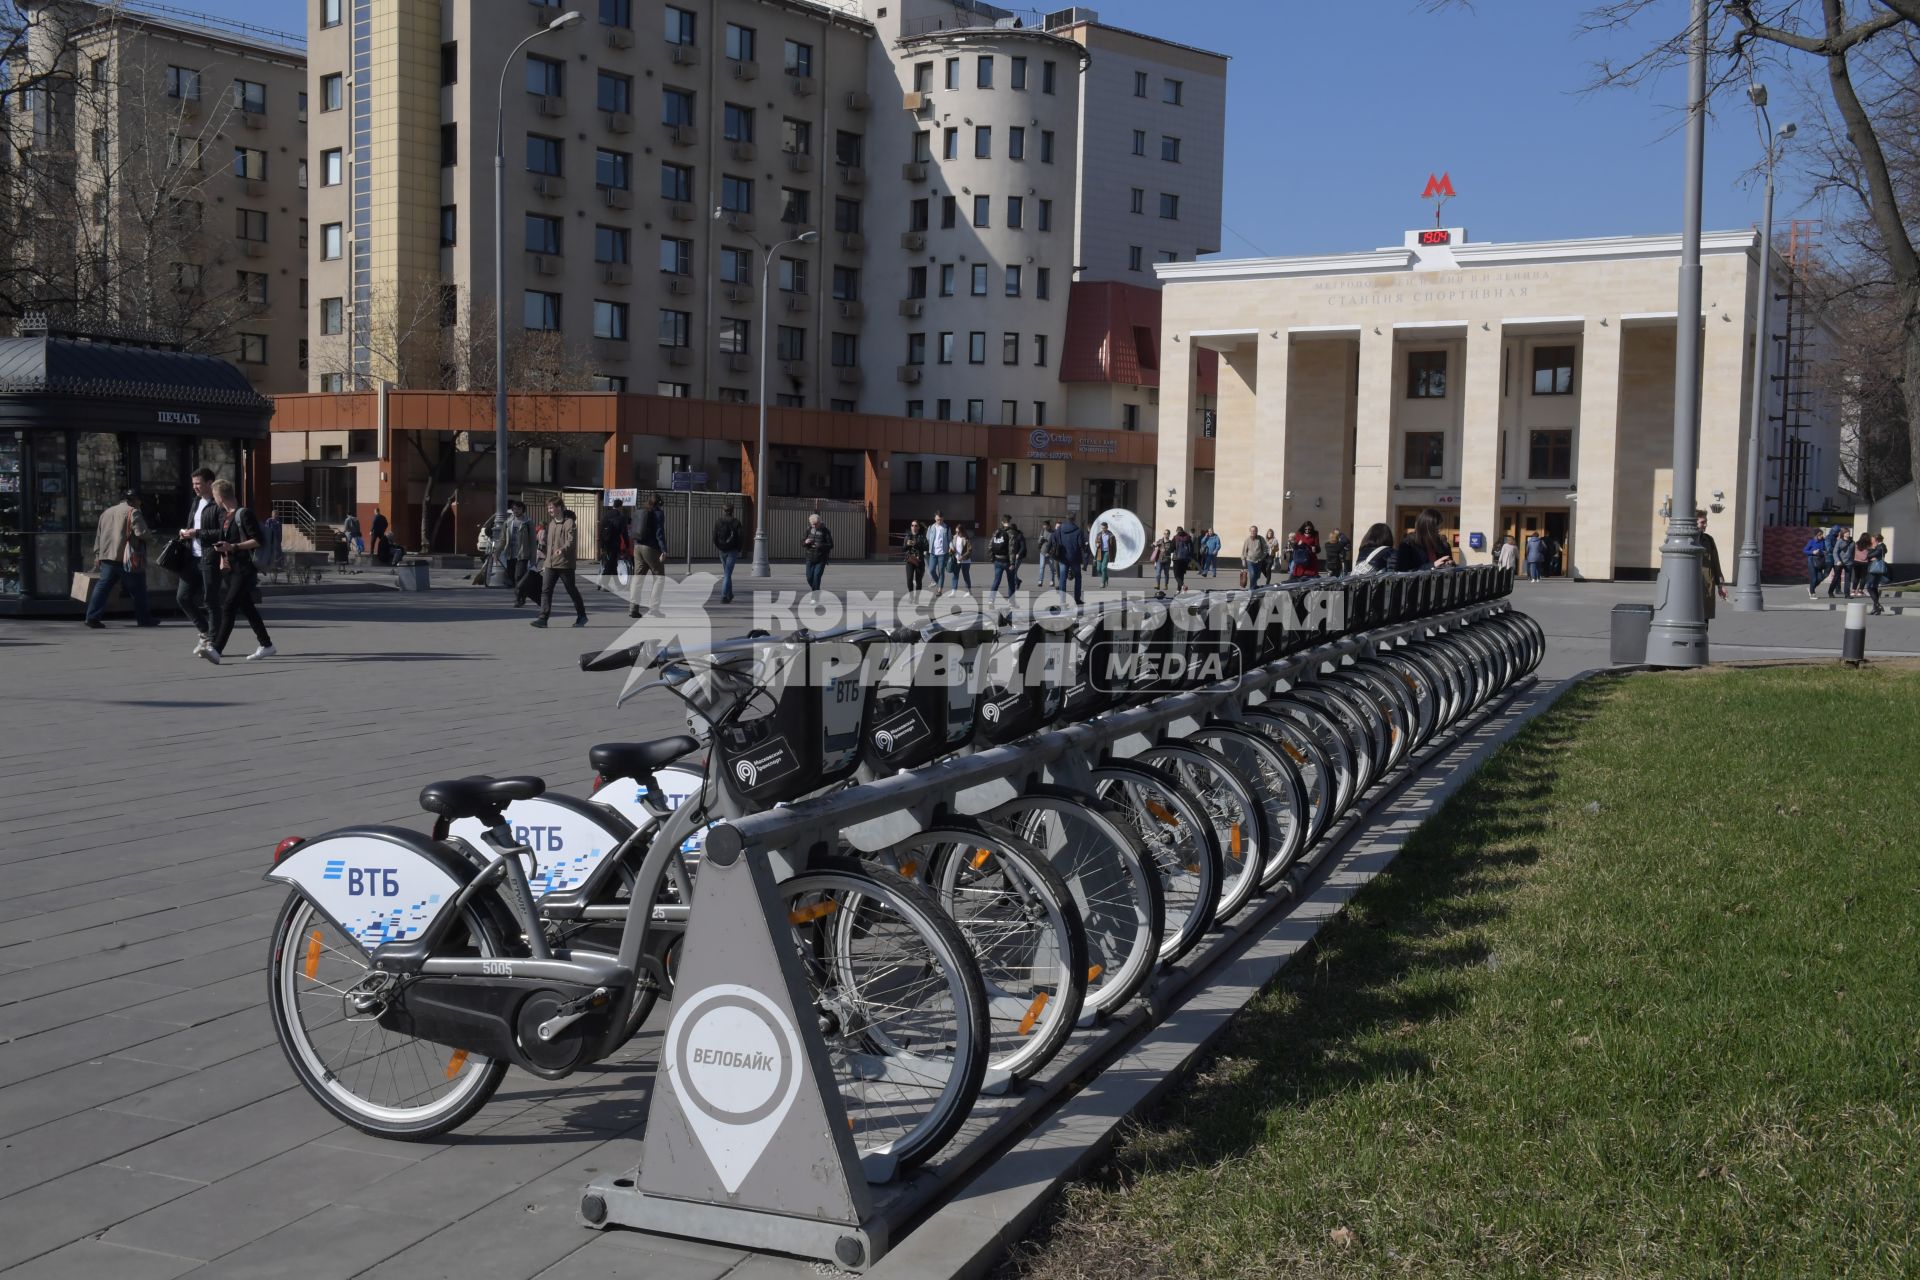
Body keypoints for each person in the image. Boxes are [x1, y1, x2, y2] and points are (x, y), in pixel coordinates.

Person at [201, 479, 274, 663]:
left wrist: (233, 546)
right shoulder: (225, 516)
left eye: (215, 496)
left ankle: (216, 649)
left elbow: (258, 540)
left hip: (245, 569)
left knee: (229, 606)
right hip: (231, 568)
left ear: (220, 496)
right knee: (248, 608)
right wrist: (223, 553)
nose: (214, 500)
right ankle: (266, 645)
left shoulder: (244, 514)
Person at [85, 489, 156, 628]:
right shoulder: (133, 512)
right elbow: (141, 532)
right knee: (139, 589)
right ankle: (144, 619)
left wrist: (98, 554)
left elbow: (98, 536)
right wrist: (151, 538)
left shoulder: (106, 512)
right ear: (134, 500)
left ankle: (92, 617)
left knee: (102, 588)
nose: (140, 503)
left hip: (107, 557)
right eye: (138, 500)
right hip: (126, 557)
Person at [177, 467, 222, 656]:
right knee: (183, 597)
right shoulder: (196, 502)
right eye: (193, 483)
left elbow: (223, 532)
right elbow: (192, 526)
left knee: (210, 600)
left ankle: (212, 642)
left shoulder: (218, 504)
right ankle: (205, 632)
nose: (195, 487)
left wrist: (198, 533)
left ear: (209, 483)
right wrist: (185, 533)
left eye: (198, 483)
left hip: (210, 557)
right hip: (192, 557)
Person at [530, 496, 587, 628]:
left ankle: (582, 616)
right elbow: (549, 546)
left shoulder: (569, 523)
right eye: (548, 507)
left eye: (552, 507)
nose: (549, 510)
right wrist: (545, 563)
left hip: (565, 563)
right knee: (546, 590)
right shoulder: (551, 524)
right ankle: (543, 618)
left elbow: (571, 541)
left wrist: (562, 549)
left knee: (571, 590)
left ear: (559, 507)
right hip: (550, 564)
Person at [628, 493, 668, 619]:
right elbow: (659, 533)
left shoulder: (641, 511)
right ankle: (654, 608)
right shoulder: (658, 513)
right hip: (650, 548)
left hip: (637, 546)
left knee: (638, 578)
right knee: (659, 577)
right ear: (659, 503)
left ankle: (633, 608)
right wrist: (664, 550)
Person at [1695, 510, 1727, 620]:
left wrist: (1721, 585)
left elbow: (1715, 563)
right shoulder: (1685, 539)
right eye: (1702, 522)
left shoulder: (1708, 540)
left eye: (1706, 522)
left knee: (1704, 618)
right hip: (1690, 586)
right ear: (1694, 522)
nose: (1705, 525)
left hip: (1706, 585)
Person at [712, 502, 744, 604]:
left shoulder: (718, 522)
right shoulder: (736, 522)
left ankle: (729, 594)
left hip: (722, 550)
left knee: (727, 572)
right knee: (727, 573)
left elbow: (714, 537)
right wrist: (738, 549)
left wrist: (719, 546)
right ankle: (724, 596)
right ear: (732, 511)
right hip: (732, 550)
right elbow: (740, 537)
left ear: (723, 510)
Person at [500, 500, 534, 596]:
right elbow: (502, 539)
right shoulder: (508, 522)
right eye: (514, 508)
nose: (516, 511)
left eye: (519, 509)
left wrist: (533, 559)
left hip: (522, 555)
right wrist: (497, 552)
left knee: (518, 576)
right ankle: (520, 594)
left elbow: (532, 542)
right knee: (512, 577)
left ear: (523, 510)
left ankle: (519, 598)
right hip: (510, 554)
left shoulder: (528, 523)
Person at [1053, 511, 1087, 605]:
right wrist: (1085, 548)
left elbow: (1054, 539)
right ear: (1074, 519)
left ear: (1066, 518)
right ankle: (1077, 599)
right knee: (1078, 577)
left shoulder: (1059, 529)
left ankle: (1062, 600)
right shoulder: (1078, 530)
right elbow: (1081, 544)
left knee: (1062, 579)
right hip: (1075, 557)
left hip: (1063, 557)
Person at [990, 515, 1026, 598]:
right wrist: (1013, 563)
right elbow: (1012, 549)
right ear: (1009, 522)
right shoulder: (1011, 532)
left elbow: (990, 546)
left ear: (1002, 522)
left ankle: (991, 599)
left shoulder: (996, 531)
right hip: (1007, 561)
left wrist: (993, 559)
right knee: (1011, 582)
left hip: (997, 560)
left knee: (996, 581)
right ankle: (1012, 601)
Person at [599, 498, 632, 585]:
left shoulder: (605, 516)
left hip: (606, 543)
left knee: (613, 564)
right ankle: (603, 583)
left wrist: (601, 545)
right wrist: (627, 545)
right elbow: (624, 533)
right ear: (620, 507)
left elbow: (601, 531)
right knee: (610, 564)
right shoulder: (621, 517)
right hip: (614, 544)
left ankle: (618, 585)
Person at [801, 512, 833, 593]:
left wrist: (820, 545)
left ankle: (815, 597)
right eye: (812, 524)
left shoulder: (825, 531)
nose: (814, 526)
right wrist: (805, 542)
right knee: (809, 578)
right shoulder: (808, 529)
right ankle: (817, 590)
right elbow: (802, 542)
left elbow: (831, 545)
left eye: (815, 524)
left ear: (819, 522)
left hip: (821, 558)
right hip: (809, 558)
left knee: (816, 577)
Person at [927, 512, 951, 596]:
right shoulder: (931, 527)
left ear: (943, 519)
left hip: (943, 553)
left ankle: (940, 590)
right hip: (933, 553)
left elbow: (949, 540)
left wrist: (951, 549)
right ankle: (939, 583)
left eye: (940, 520)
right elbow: (928, 538)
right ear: (935, 519)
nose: (939, 521)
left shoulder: (947, 528)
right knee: (931, 570)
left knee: (941, 571)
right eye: (937, 520)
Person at [1864, 533, 1889, 613]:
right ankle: (1876, 608)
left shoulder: (1880, 547)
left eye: (1873, 540)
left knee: (1869, 587)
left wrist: (1870, 553)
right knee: (1874, 587)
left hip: (1874, 569)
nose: (1872, 541)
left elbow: (1871, 555)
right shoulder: (1882, 546)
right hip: (1878, 569)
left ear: (1877, 540)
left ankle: (1877, 604)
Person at [1801, 529, 1830, 600]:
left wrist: (1825, 552)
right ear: (1816, 535)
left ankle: (1811, 588)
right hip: (1812, 560)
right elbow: (1804, 550)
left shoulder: (1823, 541)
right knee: (1813, 578)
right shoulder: (1811, 542)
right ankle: (1812, 593)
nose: (1821, 536)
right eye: (1820, 534)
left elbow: (1825, 550)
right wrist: (1812, 552)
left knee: (1820, 578)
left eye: (1822, 534)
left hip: (1820, 561)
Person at [903, 519, 929, 593]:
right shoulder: (908, 536)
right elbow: (903, 549)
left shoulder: (922, 537)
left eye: (915, 525)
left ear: (918, 527)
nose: (914, 527)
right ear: (911, 527)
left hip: (919, 561)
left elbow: (927, 547)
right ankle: (911, 595)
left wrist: (916, 544)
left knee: (918, 581)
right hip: (910, 560)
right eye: (912, 525)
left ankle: (917, 597)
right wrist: (907, 545)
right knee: (909, 579)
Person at [1827, 527, 1853, 598]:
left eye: (1848, 532)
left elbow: (1853, 552)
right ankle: (1830, 591)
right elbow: (1835, 552)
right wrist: (1837, 560)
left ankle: (1847, 594)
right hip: (1839, 562)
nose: (1848, 534)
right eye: (1846, 532)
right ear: (1843, 534)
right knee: (1836, 577)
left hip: (1849, 563)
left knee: (1848, 579)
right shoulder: (1839, 541)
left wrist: (1852, 561)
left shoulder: (1852, 542)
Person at [1169, 526, 1194, 592]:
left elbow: (1171, 549)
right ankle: (1178, 590)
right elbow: (1191, 549)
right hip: (1185, 559)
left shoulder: (1175, 537)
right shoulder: (1188, 537)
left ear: (1177, 531)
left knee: (1176, 575)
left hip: (1177, 559)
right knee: (1181, 574)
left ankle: (1182, 586)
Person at [1094, 520, 1117, 589]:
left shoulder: (1111, 536)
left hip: (1107, 552)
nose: (1103, 529)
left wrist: (1113, 555)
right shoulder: (1099, 534)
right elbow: (1096, 541)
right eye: (1102, 528)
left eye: (1104, 528)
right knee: (1098, 569)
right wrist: (1097, 544)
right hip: (1100, 553)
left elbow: (1114, 547)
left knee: (1103, 568)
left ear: (1107, 528)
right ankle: (1106, 577)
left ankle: (1102, 583)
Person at [952, 523, 974, 590]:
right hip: (957, 559)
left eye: (958, 532)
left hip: (965, 560)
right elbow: (953, 547)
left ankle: (969, 591)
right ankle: (953, 591)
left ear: (962, 531)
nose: (957, 533)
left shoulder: (966, 538)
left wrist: (962, 556)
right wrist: (951, 550)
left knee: (966, 576)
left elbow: (970, 550)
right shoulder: (955, 537)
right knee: (955, 576)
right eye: (956, 531)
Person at [1037, 520, 1056, 588]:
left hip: (1050, 553)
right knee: (1042, 567)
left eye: (1045, 525)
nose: (1044, 527)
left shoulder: (1053, 533)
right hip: (1042, 552)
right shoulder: (1042, 531)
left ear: (1048, 526)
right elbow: (1038, 541)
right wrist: (1041, 540)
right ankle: (1040, 581)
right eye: (1043, 525)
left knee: (1052, 568)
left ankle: (1052, 580)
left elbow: (1054, 544)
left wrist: (1050, 552)